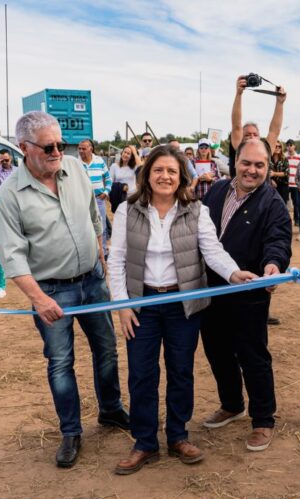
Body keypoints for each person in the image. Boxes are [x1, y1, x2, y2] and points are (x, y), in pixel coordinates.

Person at [107, 146, 257, 474]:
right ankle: (145, 442)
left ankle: (178, 436)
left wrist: (234, 273)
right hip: (141, 305)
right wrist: (122, 306)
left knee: (180, 371)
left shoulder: (195, 210)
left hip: (183, 305)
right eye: (158, 170)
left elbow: (212, 250)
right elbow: (116, 259)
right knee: (142, 374)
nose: (165, 177)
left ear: (181, 177)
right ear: (147, 174)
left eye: (172, 171)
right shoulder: (127, 210)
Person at [0, 111, 128, 468]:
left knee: (107, 351)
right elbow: (12, 257)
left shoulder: (76, 170)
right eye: (48, 146)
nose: (58, 151)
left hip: (92, 281)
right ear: (24, 148)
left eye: (61, 144)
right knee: (61, 363)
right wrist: (39, 299)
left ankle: (112, 411)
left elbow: (93, 218)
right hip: (52, 292)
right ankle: (71, 431)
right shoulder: (10, 194)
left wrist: (100, 261)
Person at [199, 138, 292, 452]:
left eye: (260, 165)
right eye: (246, 163)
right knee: (216, 350)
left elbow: (278, 242)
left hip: (249, 291)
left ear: (268, 167)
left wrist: (273, 265)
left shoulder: (273, 203)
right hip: (210, 288)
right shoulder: (215, 191)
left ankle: (263, 419)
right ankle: (231, 403)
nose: (252, 170)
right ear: (235, 161)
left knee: (253, 356)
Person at [228, 74, 287, 175]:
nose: (252, 137)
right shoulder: (239, 148)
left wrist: (280, 103)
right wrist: (239, 94)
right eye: (247, 135)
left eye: (255, 134)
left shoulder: (265, 150)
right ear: (240, 138)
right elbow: (236, 125)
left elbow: (274, 131)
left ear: (260, 137)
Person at [77, 139, 112, 256]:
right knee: (85, 226)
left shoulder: (100, 161)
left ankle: (103, 252)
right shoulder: (76, 163)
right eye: (79, 148)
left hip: (99, 200)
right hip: (83, 201)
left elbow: (108, 179)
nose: (81, 151)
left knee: (101, 226)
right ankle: (91, 253)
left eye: (84, 148)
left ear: (91, 148)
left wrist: (106, 192)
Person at [110, 145, 140, 214]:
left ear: (132, 156)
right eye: (124, 152)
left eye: (128, 153)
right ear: (122, 153)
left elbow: (142, 167)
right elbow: (110, 182)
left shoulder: (135, 167)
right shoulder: (114, 166)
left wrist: (135, 153)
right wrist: (121, 187)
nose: (125, 154)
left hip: (132, 197)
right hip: (119, 198)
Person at [285, 139, 300, 209]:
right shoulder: (284, 156)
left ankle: (297, 219)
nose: (289, 147)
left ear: (294, 146)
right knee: (284, 202)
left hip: (295, 184)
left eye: (291, 145)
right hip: (285, 183)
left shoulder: (299, 157)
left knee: (296, 204)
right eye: (287, 145)